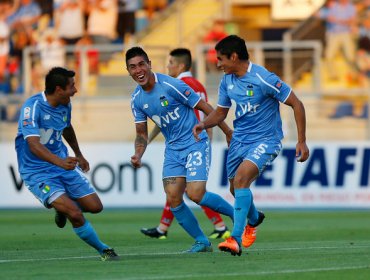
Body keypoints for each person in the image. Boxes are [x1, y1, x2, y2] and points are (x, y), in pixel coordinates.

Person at [193, 35, 309, 256]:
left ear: (234, 57)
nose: (218, 64)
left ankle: (235, 239)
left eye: (221, 59)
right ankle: (255, 218)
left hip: (266, 140)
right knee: (234, 188)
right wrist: (203, 124)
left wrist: (301, 140)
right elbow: (220, 112)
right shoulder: (227, 80)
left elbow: (296, 103)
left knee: (241, 179)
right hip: (239, 140)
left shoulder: (264, 78)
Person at [127, 46, 234, 253]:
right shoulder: (136, 99)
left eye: (141, 64)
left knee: (196, 194)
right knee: (174, 198)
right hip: (173, 150)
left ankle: (238, 216)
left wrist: (228, 132)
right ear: (128, 71)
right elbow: (141, 133)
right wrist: (138, 154)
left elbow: (204, 107)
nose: (138, 70)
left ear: (149, 65)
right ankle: (202, 241)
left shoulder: (172, 84)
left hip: (195, 142)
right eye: (132, 67)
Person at [14, 67, 119, 261]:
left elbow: (67, 127)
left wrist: (78, 154)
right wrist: (60, 162)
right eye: (72, 86)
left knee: (96, 206)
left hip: (61, 163)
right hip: (37, 171)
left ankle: (60, 207)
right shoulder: (32, 107)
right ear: (58, 89)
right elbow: (33, 145)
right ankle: (103, 250)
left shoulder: (65, 104)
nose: (76, 90)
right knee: (75, 213)